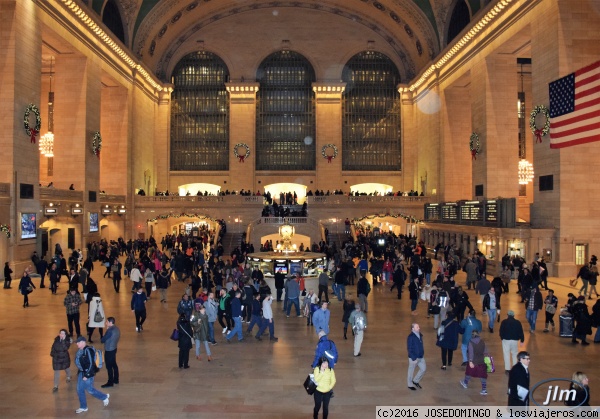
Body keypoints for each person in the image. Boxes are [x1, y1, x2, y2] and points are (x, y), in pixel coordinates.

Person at [74, 336, 109, 413]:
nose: (77, 344)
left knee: (90, 390)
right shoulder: (80, 350)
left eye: (78, 342)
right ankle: (83, 407)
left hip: (88, 373)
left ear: (83, 342)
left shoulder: (88, 350)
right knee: (79, 389)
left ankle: (104, 397)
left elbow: (91, 364)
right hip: (81, 372)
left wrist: (87, 375)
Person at [459, 330, 490, 395]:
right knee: (482, 376)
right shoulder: (482, 342)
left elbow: (471, 353)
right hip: (481, 361)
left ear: (472, 335)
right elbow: (486, 351)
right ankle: (484, 389)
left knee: (469, 373)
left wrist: (470, 361)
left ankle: (465, 383)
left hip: (473, 361)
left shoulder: (471, 342)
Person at [499, 310, 525, 375]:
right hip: (514, 340)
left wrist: (502, 338)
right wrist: (522, 340)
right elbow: (521, 332)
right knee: (515, 354)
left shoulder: (504, 322)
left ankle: (507, 369)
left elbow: (501, 331)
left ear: (507, 315)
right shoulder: (517, 322)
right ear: (513, 315)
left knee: (506, 354)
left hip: (506, 340)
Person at [100, 317, 120, 388]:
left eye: (107, 322)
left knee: (109, 366)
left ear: (110, 323)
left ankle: (110, 382)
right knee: (114, 364)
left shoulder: (110, 330)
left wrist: (106, 332)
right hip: (114, 348)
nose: (106, 323)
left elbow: (102, 340)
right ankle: (116, 379)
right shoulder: (117, 329)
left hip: (109, 350)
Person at [407, 323, 426, 391]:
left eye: (418, 326)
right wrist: (413, 358)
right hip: (414, 358)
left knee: (423, 369)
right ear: (413, 329)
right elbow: (409, 348)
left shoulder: (420, 335)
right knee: (411, 371)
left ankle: (415, 381)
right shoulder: (411, 337)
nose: (419, 328)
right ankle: (409, 384)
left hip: (420, 356)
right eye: (417, 327)